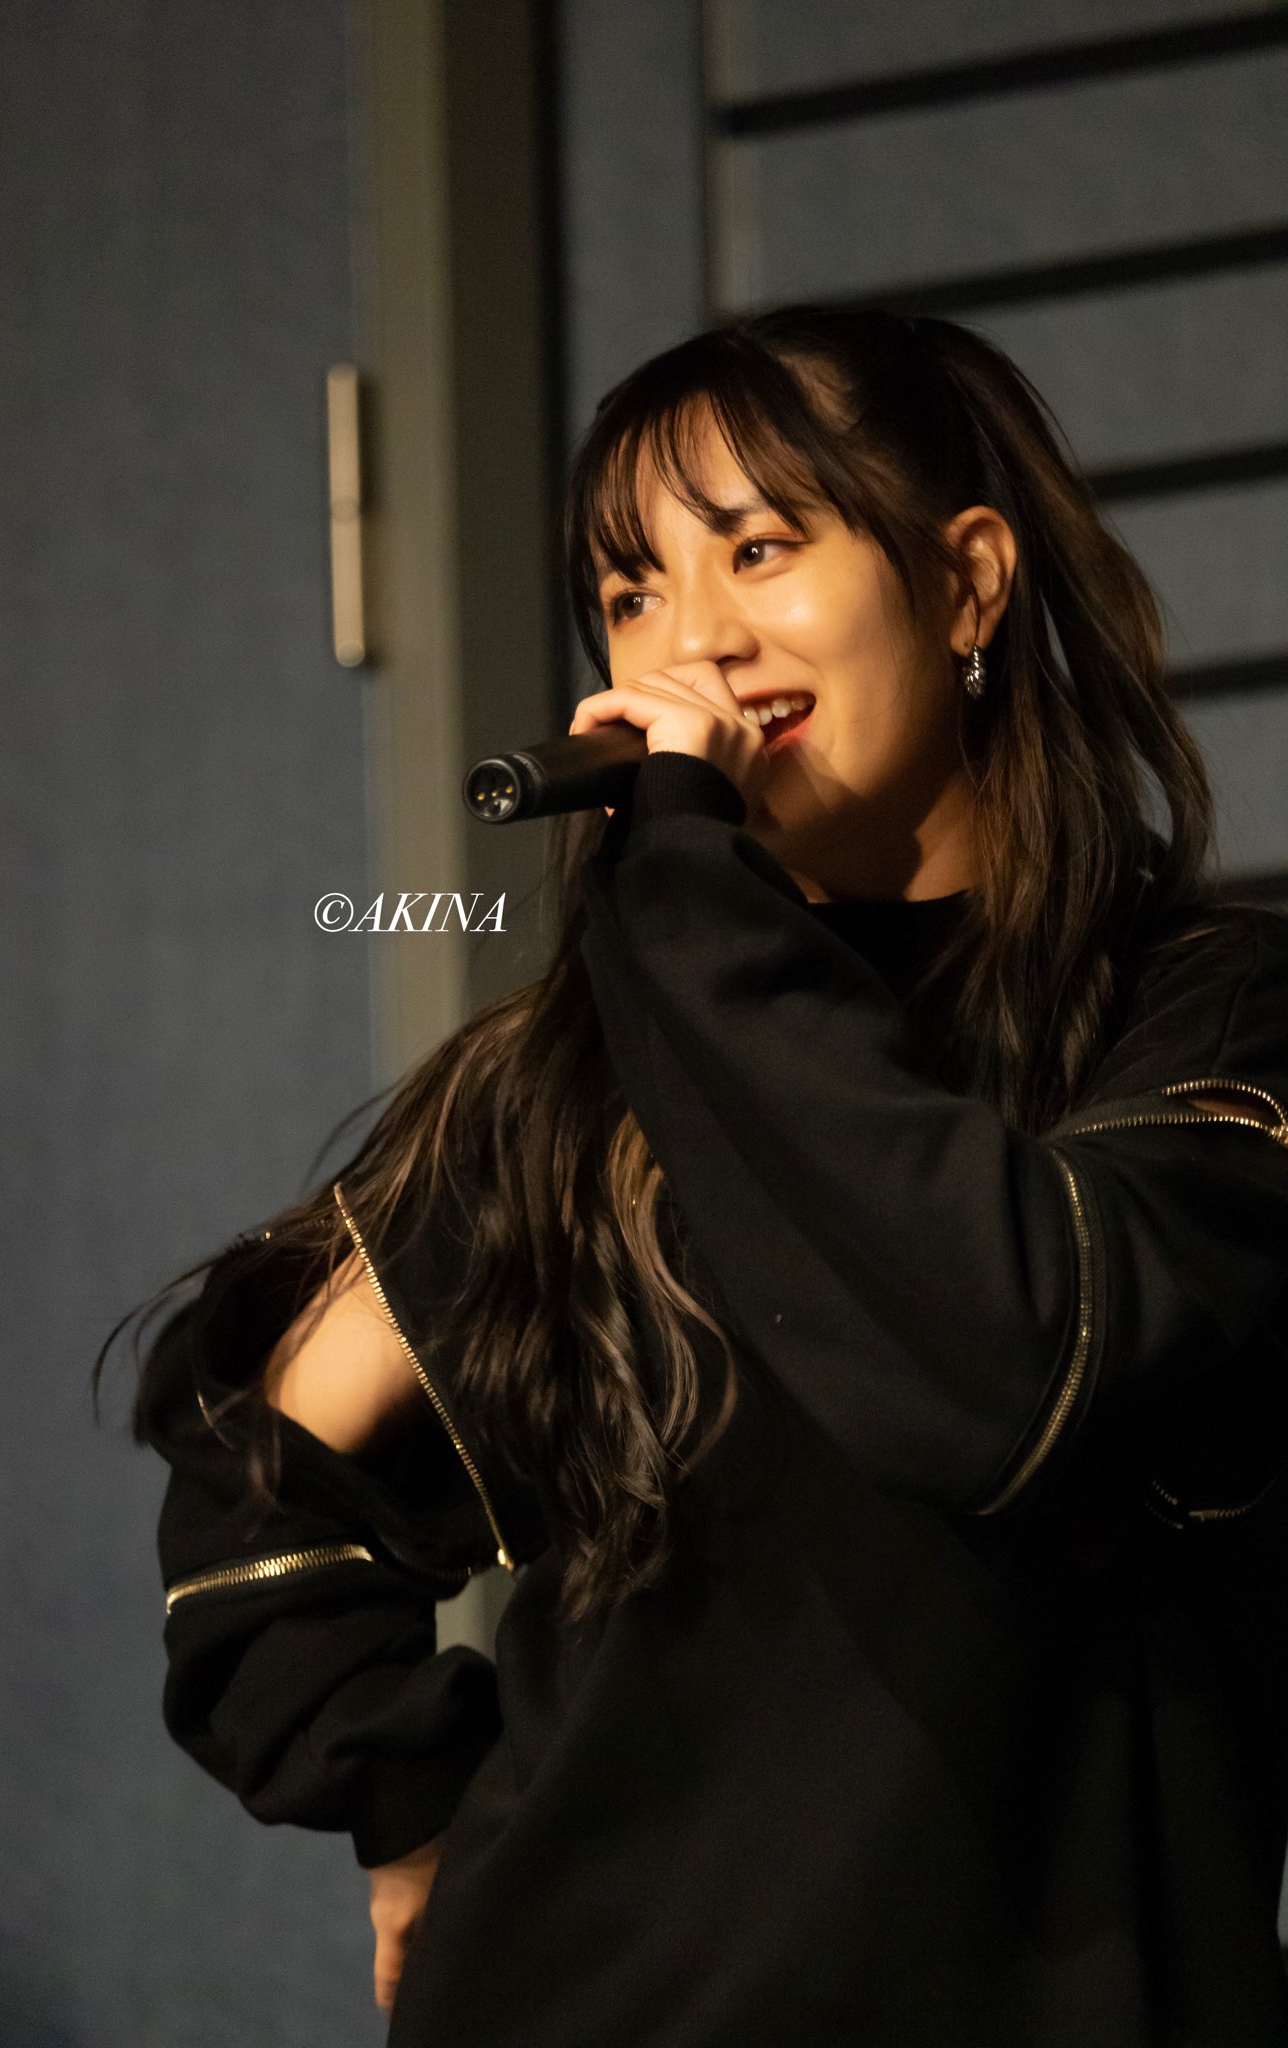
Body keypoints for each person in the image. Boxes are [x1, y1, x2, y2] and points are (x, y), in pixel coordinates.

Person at [97, 304, 1288, 2046]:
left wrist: (682, 899)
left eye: (758, 549)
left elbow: (1011, 1359)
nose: (693, 642)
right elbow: (252, 1453)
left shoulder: (1207, 1022)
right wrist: (406, 1798)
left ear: (965, 584)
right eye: (632, 588)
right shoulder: (583, 1079)